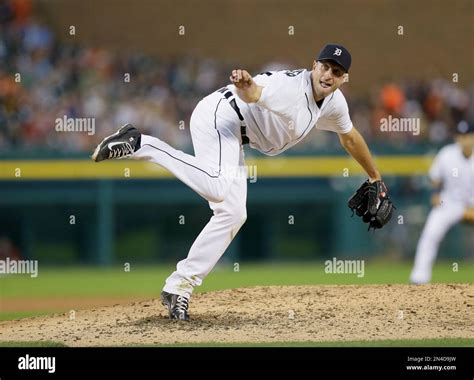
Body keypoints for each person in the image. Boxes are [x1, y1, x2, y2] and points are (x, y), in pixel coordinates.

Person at [92, 44, 386, 320]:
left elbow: (349, 137)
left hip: (235, 133)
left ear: (343, 78)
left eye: (336, 72)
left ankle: (178, 287)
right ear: (314, 65)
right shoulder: (290, 90)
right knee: (217, 187)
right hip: (221, 115)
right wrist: (246, 85)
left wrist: (374, 176)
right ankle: (142, 143)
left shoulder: (334, 103)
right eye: (325, 66)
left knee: (233, 214)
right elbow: (255, 93)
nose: (328, 74)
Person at [410, 121, 474, 285]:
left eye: (467, 136)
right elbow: (435, 179)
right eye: (461, 136)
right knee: (430, 233)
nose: (464, 139)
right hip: (450, 203)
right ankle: (419, 278)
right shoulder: (447, 154)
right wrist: (435, 194)